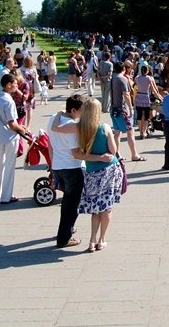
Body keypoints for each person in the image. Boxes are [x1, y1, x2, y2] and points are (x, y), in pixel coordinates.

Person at [48, 94, 102, 248]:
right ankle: (64, 238)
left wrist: (52, 164)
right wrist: (98, 158)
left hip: (58, 166)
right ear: (73, 110)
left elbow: (50, 144)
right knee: (71, 205)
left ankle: (66, 229)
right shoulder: (72, 127)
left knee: (67, 203)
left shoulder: (53, 118)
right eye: (82, 111)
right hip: (71, 168)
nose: (84, 115)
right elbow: (76, 153)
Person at [74, 99, 123, 252]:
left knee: (95, 209)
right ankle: (101, 240)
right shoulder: (104, 127)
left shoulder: (80, 129)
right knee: (106, 208)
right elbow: (113, 151)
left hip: (91, 172)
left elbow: (78, 154)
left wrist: (95, 157)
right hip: (109, 171)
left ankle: (92, 240)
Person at [0, 73, 30, 204]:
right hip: (10, 137)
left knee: (0, 163)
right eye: (15, 84)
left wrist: (19, 126)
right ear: (8, 85)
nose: (16, 86)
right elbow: (12, 124)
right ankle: (6, 196)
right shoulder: (8, 101)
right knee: (9, 166)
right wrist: (23, 129)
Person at [110, 62, 145, 161]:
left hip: (113, 108)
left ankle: (117, 153)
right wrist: (130, 108)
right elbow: (126, 94)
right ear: (124, 69)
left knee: (117, 132)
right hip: (122, 109)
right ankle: (134, 154)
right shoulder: (122, 79)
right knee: (130, 131)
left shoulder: (113, 78)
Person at [134, 65, 160, 140]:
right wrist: (160, 98)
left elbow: (135, 87)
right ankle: (144, 132)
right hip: (146, 97)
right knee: (146, 116)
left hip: (138, 97)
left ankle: (141, 132)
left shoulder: (137, 77)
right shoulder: (149, 78)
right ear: (147, 71)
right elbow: (154, 90)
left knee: (139, 116)